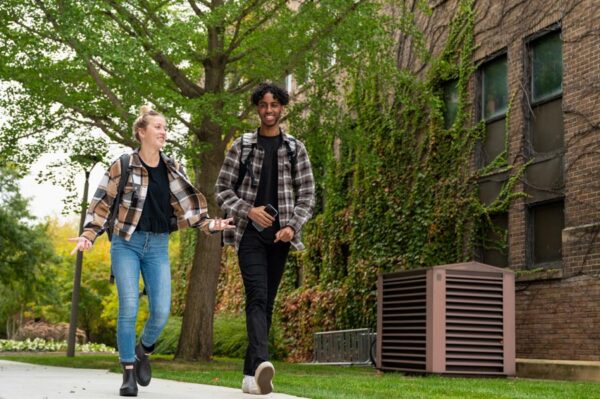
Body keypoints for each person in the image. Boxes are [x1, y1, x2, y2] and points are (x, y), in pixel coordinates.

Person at [70, 106, 233, 397]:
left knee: (160, 312)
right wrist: (88, 235)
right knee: (129, 306)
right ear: (141, 132)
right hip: (126, 243)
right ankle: (128, 373)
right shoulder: (122, 164)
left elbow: (190, 210)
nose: (163, 132)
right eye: (157, 127)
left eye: (165, 128)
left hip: (157, 245)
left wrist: (213, 223)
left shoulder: (172, 168)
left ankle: (142, 350)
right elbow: (102, 204)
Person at [215, 83, 315, 395]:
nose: (268, 111)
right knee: (257, 296)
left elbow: (308, 195)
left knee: (266, 302)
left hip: (280, 239)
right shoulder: (242, 146)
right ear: (257, 108)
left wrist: (293, 227)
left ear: (282, 108)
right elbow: (222, 190)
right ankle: (261, 363)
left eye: (274, 105)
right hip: (249, 236)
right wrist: (248, 210)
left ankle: (249, 377)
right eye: (263, 105)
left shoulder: (294, 149)